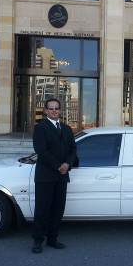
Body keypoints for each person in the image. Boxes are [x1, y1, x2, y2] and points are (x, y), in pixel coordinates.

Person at [31, 98, 77, 254]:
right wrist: (58, 166)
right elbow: (41, 151)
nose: (54, 110)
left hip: (62, 176)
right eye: (51, 108)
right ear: (46, 111)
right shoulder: (40, 128)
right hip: (45, 176)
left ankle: (52, 239)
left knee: (58, 209)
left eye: (57, 108)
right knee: (42, 210)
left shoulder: (67, 128)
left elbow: (73, 149)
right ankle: (38, 241)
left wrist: (67, 164)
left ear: (60, 110)